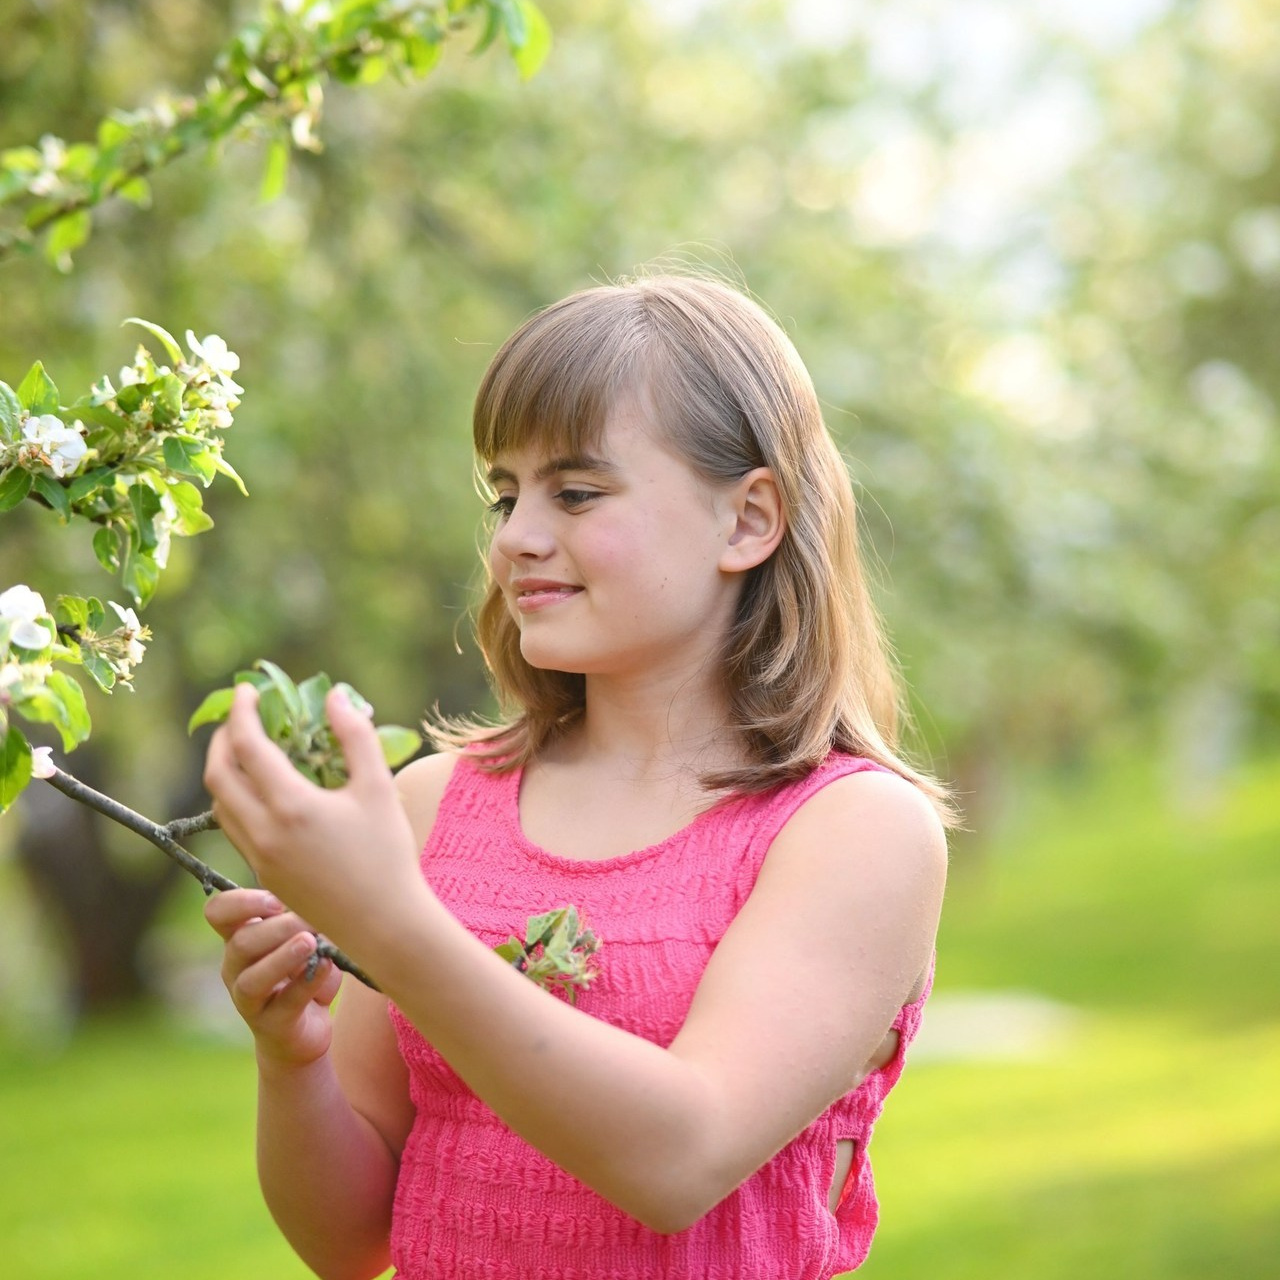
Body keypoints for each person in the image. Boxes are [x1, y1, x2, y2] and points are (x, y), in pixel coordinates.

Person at [203, 273, 954, 1280]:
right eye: (504, 493)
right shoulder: (435, 805)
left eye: (576, 491)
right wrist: (292, 1061)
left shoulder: (851, 830)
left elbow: (679, 1154)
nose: (515, 535)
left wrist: (390, 922)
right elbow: (348, 1239)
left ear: (747, 520)